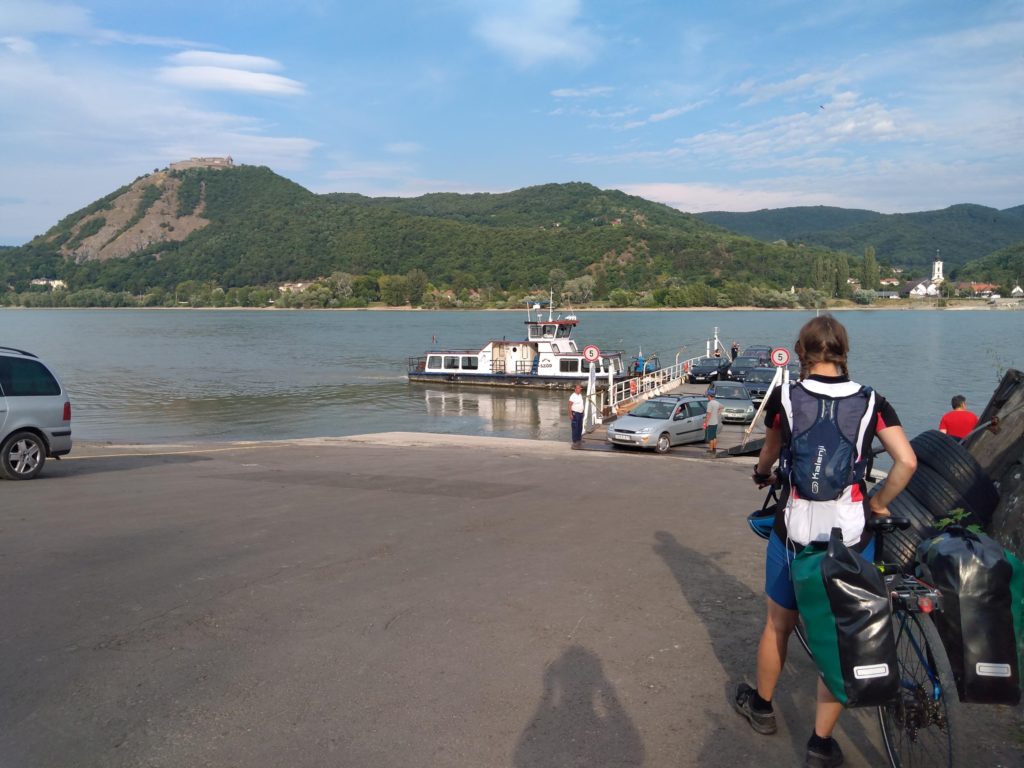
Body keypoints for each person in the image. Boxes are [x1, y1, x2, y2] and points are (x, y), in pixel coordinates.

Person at [734, 314, 917, 768]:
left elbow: (770, 452)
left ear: (802, 352)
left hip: (794, 532)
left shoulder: (787, 397)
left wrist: (761, 475)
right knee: (840, 636)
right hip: (850, 538)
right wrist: (877, 503)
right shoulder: (873, 400)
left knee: (778, 625)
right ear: (843, 352)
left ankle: (761, 707)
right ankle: (819, 743)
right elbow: (907, 462)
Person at [703, 389, 722, 456]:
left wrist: (706, 422)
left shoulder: (710, 404)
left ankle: (711, 450)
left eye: (707, 395)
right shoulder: (717, 402)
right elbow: (722, 407)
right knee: (714, 437)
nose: (707, 397)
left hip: (710, 422)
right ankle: (714, 449)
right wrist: (717, 413)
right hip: (715, 422)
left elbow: (708, 414)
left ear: (709, 396)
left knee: (710, 437)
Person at [568, 384, 585, 449]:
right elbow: (569, 405)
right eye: (578, 388)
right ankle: (574, 442)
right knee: (575, 428)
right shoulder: (573, 396)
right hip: (575, 413)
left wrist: (583, 411)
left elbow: (581, 404)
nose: (579, 389)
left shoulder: (580, 395)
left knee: (580, 427)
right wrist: (570, 414)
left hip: (580, 413)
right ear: (575, 389)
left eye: (580, 388)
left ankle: (579, 440)